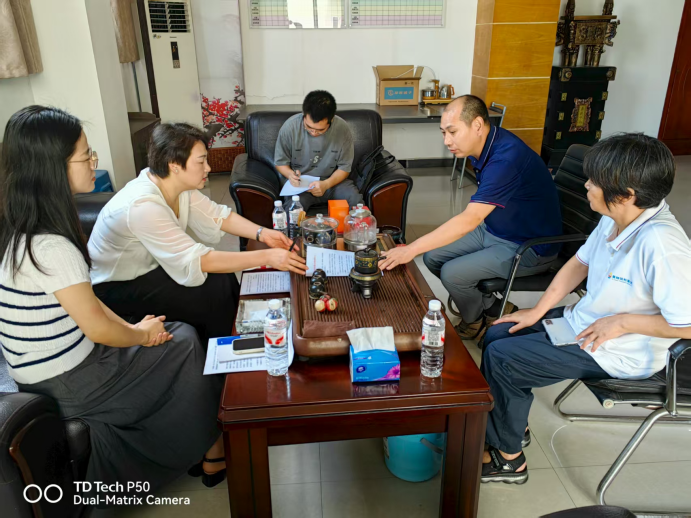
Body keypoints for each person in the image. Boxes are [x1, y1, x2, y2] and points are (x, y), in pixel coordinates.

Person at [0, 106, 228, 498]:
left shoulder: (21, 227)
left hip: (46, 371)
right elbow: (98, 328)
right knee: (185, 343)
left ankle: (204, 443)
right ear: (53, 167)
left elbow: (84, 301)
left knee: (179, 329)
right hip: (69, 380)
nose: (94, 162)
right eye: (85, 156)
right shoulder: (51, 245)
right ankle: (211, 448)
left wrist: (136, 329)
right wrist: (141, 335)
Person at [479, 133, 691, 484]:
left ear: (626, 195)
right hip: (587, 324)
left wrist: (623, 323)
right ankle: (512, 424)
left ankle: (509, 460)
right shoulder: (616, 216)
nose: (587, 185)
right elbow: (579, 263)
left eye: (595, 181)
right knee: (500, 332)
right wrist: (536, 311)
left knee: (505, 360)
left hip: (620, 351)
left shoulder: (662, 245)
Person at [88, 123, 307, 344]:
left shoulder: (174, 185)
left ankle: (238, 335)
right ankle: (223, 349)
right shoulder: (142, 206)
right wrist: (267, 256)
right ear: (174, 165)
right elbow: (199, 260)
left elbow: (218, 215)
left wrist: (263, 233)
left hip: (148, 269)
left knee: (221, 278)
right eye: (201, 161)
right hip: (116, 289)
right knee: (213, 290)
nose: (208, 168)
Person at [379, 95, 562, 340]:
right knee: (433, 257)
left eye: (453, 132)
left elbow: (469, 219)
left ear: (477, 125)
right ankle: (492, 308)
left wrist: (411, 249)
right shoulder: (486, 144)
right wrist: (416, 249)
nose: (447, 141)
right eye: (443, 133)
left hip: (529, 246)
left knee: (453, 274)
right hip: (495, 229)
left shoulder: (506, 159)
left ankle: (474, 321)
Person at [275, 90, 363, 211]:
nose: (314, 133)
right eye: (309, 127)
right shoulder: (290, 128)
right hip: (302, 185)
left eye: (320, 130)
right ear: (304, 115)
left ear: (331, 121)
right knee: (293, 210)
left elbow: (344, 168)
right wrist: (291, 175)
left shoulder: (342, 129)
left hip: (333, 182)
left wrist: (326, 184)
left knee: (356, 202)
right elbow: (280, 163)